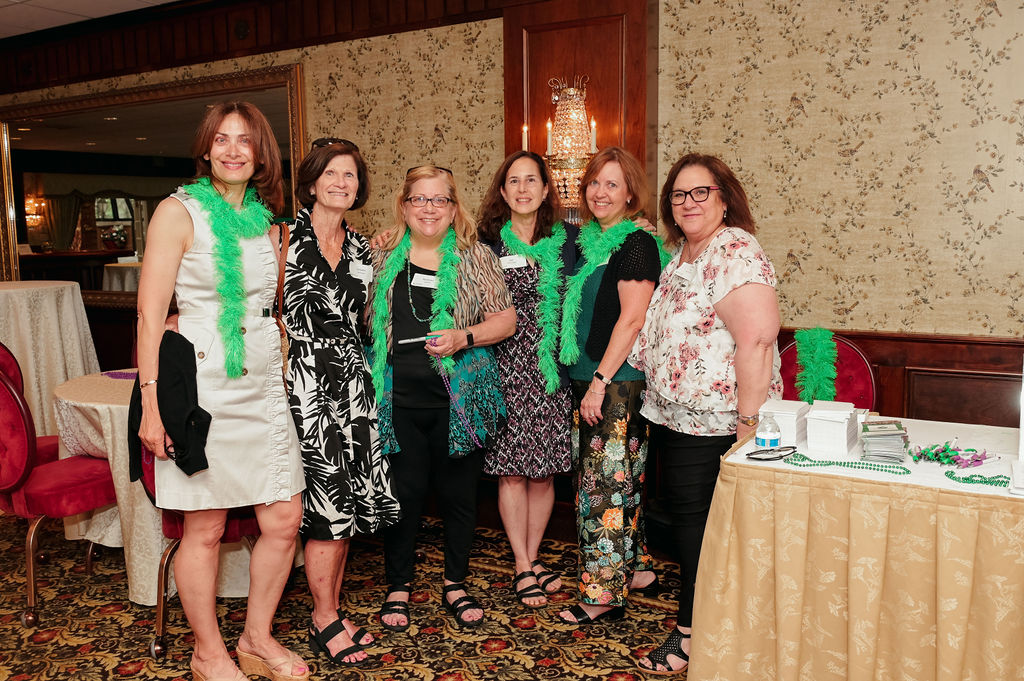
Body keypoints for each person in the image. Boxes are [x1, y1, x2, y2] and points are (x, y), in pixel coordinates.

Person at [136, 102, 308, 681]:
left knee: (284, 518)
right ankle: (207, 652)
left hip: (262, 381)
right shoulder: (177, 211)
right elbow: (150, 315)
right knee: (205, 527)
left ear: (260, 154)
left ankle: (256, 637)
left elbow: (275, 300)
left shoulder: (266, 221)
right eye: (222, 139)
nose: (233, 150)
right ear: (206, 149)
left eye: (245, 140)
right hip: (203, 384)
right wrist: (153, 407)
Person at [630, 153, 782, 675]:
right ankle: (710, 627)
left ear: (724, 198)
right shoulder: (682, 253)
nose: (688, 202)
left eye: (701, 192)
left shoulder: (735, 249)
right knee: (694, 528)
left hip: (719, 423)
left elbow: (757, 341)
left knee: (701, 533)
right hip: (677, 418)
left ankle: (692, 636)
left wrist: (747, 431)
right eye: (679, 194)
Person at [367, 165, 516, 631]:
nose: (428, 208)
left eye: (439, 200)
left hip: (459, 401)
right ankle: (398, 584)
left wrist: (463, 337)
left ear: (454, 209)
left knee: (458, 497)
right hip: (397, 399)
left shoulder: (476, 256)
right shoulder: (379, 254)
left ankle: (455, 582)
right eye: (419, 199)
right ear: (404, 206)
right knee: (404, 495)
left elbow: (506, 320)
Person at [275, 138, 401, 667]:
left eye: (349, 175)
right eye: (331, 173)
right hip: (301, 383)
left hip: (353, 384)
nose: (341, 183)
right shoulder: (280, 237)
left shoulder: (361, 248)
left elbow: (370, 320)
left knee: (345, 503)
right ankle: (324, 617)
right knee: (324, 505)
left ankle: (329, 607)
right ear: (310, 182)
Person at [556, 146, 665, 626]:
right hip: (589, 376)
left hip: (616, 383)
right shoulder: (587, 242)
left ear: (630, 195)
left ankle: (601, 595)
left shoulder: (636, 244)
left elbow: (633, 320)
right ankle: (636, 570)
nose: (600, 192)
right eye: (595, 183)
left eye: (612, 184)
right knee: (619, 481)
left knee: (603, 488)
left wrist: (599, 383)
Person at [476, 151, 574, 608]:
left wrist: (643, 230)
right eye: (513, 181)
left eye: (531, 180)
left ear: (546, 188)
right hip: (504, 369)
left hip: (552, 372)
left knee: (544, 472)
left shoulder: (567, 241)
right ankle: (521, 563)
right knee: (512, 471)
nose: (522, 189)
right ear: (502, 191)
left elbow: (611, 250)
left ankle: (532, 559)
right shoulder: (486, 245)